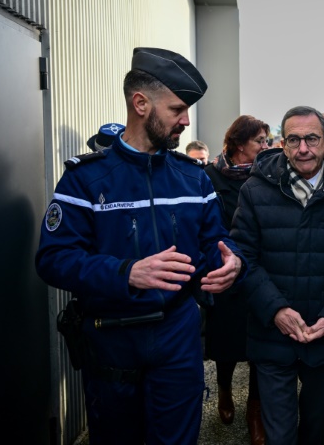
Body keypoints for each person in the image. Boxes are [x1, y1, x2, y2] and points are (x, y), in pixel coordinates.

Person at [35, 47, 246, 445]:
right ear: (141, 103)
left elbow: (216, 241)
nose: (186, 120)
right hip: (112, 340)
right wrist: (126, 272)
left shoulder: (193, 179)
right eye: (178, 109)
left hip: (179, 337)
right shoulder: (85, 180)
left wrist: (235, 263)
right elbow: (53, 259)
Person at [231, 106, 324, 445]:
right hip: (272, 336)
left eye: (311, 139)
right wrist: (276, 310)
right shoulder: (254, 191)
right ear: (282, 144)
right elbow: (243, 260)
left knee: (314, 431)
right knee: (279, 436)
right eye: (293, 140)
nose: (303, 149)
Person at [204, 115, 270, 445]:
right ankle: (225, 389)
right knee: (227, 344)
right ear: (240, 144)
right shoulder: (209, 176)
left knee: (262, 345)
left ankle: (254, 411)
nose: (266, 146)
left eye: (267, 140)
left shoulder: (269, 176)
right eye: (260, 140)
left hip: (261, 271)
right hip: (226, 273)